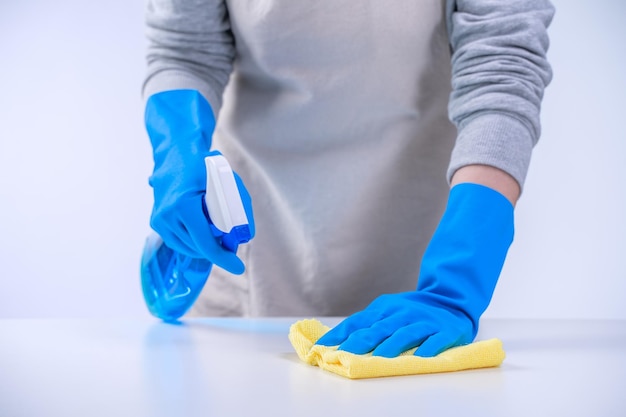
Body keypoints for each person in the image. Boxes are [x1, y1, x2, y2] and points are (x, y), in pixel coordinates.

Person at [142, 0, 555, 357]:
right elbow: (185, 50)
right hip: (253, 247)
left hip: (417, 249)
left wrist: (459, 273)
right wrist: (178, 152)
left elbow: (502, 69)